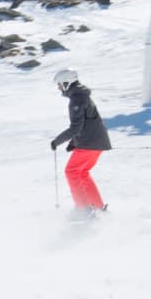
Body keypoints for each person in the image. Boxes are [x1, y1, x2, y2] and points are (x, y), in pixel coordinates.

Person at [48, 68, 111, 213]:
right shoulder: (81, 96)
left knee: (71, 171)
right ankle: (97, 206)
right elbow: (87, 123)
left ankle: (83, 209)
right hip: (98, 142)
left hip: (90, 143)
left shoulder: (77, 99)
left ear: (66, 83)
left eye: (59, 84)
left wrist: (57, 141)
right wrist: (74, 142)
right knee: (82, 173)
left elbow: (76, 127)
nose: (58, 88)